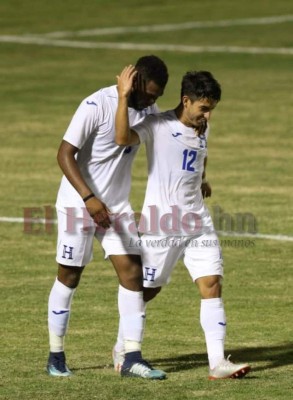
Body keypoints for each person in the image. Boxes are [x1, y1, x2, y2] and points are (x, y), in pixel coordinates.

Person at [114, 66, 251, 380]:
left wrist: (202, 179)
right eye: (203, 108)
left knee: (212, 283)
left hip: (198, 220)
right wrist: (123, 97)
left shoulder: (203, 125)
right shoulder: (157, 125)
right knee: (147, 290)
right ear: (185, 100)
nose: (207, 115)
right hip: (163, 223)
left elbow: (198, 155)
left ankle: (217, 363)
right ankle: (123, 347)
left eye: (211, 109)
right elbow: (122, 137)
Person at [47, 56, 169, 380]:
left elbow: (125, 138)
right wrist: (89, 199)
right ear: (136, 82)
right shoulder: (95, 104)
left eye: (157, 97)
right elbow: (63, 154)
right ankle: (55, 355)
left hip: (116, 207)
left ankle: (131, 357)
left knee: (132, 273)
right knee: (70, 276)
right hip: (79, 204)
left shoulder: (148, 113)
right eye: (149, 94)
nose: (152, 102)